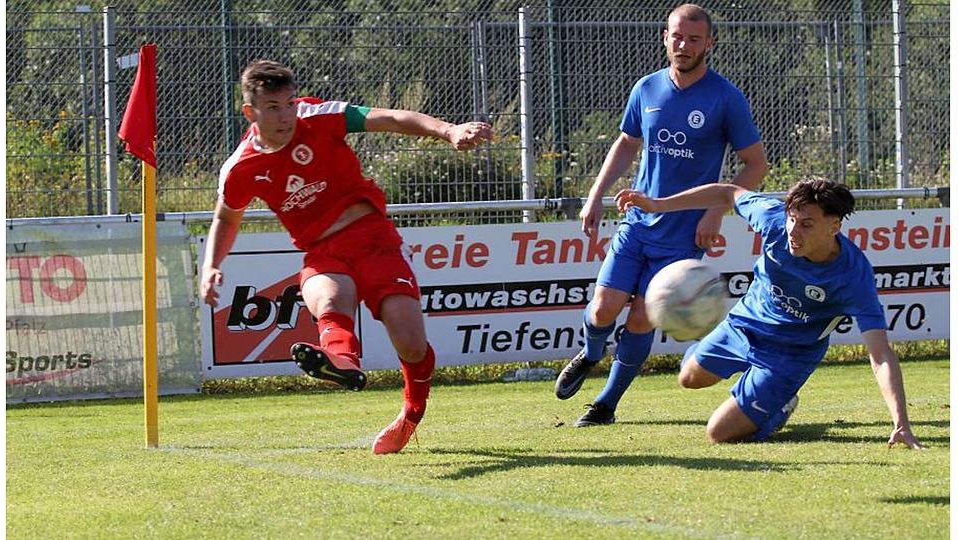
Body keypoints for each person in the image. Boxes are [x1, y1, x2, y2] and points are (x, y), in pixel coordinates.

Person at [200, 60, 493, 454]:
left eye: (288, 103)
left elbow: (391, 117)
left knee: (411, 344)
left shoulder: (318, 116)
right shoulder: (240, 168)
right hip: (323, 251)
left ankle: (411, 413)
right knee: (329, 296)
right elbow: (226, 218)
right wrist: (211, 265)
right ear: (250, 112)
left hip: (375, 240)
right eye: (273, 107)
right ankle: (340, 361)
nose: (286, 115)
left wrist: (448, 130)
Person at [554, 3, 769, 427]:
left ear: (710, 42)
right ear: (664, 37)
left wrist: (715, 212)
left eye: (693, 38)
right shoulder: (647, 88)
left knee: (640, 317)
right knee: (602, 310)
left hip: (685, 234)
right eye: (677, 36)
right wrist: (595, 196)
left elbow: (756, 164)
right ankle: (592, 352)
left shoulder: (726, 98)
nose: (683, 45)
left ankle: (606, 405)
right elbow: (626, 144)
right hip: (637, 223)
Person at [615, 179, 924, 448]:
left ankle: (780, 405)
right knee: (689, 379)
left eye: (806, 224)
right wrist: (657, 205)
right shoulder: (773, 222)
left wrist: (901, 423)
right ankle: (743, 377)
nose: (793, 230)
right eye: (792, 219)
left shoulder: (853, 276)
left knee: (719, 433)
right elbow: (727, 193)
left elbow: (880, 354)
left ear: (834, 226)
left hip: (790, 355)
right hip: (743, 325)